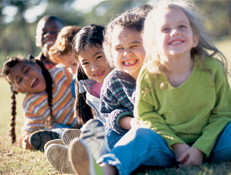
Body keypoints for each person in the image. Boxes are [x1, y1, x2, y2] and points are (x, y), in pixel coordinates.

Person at [68, 0, 231, 175]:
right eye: (165, 29)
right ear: (154, 40)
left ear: (195, 37)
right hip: (165, 146)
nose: (174, 32)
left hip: (212, 142)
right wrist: (178, 146)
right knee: (142, 135)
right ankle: (104, 169)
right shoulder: (149, 73)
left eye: (182, 27)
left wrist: (199, 148)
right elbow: (148, 117)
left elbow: (223, 113)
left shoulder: (212, 68)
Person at [44, 24, 113, 174]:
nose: (94, 68)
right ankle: (77, 152)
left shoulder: (124, 78)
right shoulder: (89, 86)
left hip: (120, 134)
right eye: (86, 63)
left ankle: (82, 154)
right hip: (106, 133)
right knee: (93, 130)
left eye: (99, 57)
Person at [0, 56, 80, 151]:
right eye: (19, 80)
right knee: (52, 128)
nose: (26, 78)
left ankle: (79, 136)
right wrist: (29, 140)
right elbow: (31, 128)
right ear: (19, 89)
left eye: (26, 70)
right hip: (67, 129)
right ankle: (62, 138)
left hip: (88, 118)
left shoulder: (61, 73)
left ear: (37, 66)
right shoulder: (31, 104)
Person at [100, 10, 148, 149]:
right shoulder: (113, 81)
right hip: (128, 129)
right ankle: (84, 153)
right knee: (109, 133)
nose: (126, 54)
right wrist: (132, 122)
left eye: (134, 46)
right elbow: (110, 114)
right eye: (119, 48)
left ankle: (98, 154)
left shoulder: (160, 73)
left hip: (159, 131)